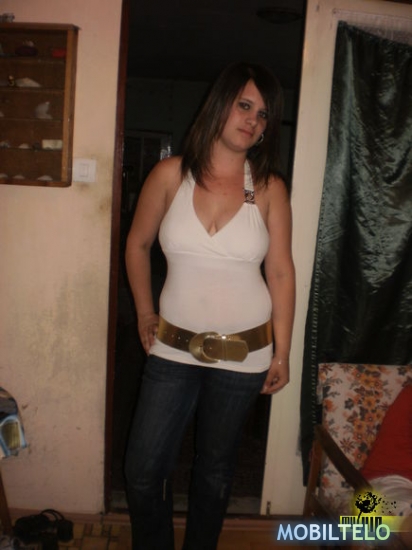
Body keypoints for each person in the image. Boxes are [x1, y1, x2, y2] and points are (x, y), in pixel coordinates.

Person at [124, 61, 295, 550]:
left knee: (216, 472)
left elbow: (281, 272)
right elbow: (137, 245)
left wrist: (283, 352)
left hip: (246, 354)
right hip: (172, 349)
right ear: (219, 104)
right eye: (244, 105)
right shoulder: (169, 174)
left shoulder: (269, 187)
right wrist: (144, 312)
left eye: (263, 114)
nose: (253, 120)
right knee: (142, 470)